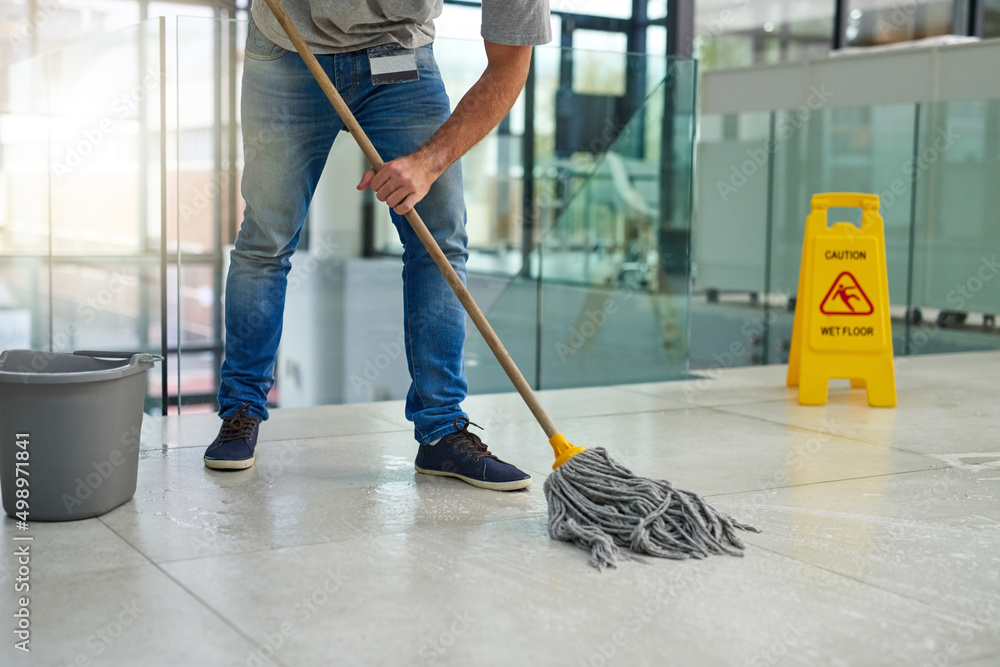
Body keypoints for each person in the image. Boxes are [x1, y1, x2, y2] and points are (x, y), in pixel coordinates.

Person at [202, 0, 551, 492]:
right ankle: (241, 410)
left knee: (439, 242)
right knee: (266, 238)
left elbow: (510, 66)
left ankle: (442, 431)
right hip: (286, 48)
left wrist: (429, 162)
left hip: (397, 56)